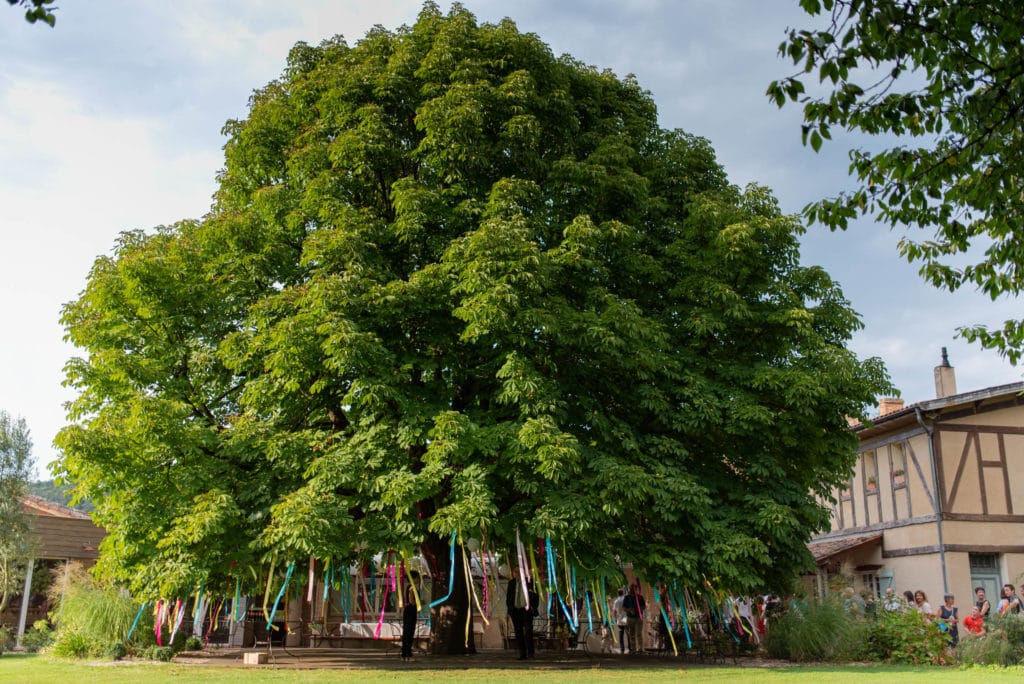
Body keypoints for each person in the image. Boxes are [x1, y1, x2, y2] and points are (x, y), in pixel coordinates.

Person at [506, 567, 537, 660]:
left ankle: (530, 652)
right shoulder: (511, 583)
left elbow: (535, 596)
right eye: (515, 572)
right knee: (518, 633)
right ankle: (522, 654)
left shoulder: (529, 582)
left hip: (526, 610)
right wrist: (510, 608)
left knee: (528, 632)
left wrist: (533, 607)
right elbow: (508, 597)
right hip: (515, 610)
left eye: (519, 572)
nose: (517, 573)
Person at [622, 580, 647, 655]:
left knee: (638, 633)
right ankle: (633, 649)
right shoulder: (627, 597)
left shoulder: (640, 597)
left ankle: (640, 648)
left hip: (639, 617)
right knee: (631, 634)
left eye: (635, 589)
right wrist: (629, 610)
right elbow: (623, 607)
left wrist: (637, 610)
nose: (633, 590)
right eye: (632, 589)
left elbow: (644, 606)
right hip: (630, 618)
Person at [400, 578, 419, 662]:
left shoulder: (411, 587)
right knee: (408, 633)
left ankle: (404, 655)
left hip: (410, 611)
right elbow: (411, 601)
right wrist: (421, 602)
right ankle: (407, 655)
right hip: (410, 611)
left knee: (408, 633)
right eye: (417, 578)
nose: (418, 579)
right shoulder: (411, 588)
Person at [611, 587, 628, 653]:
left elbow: (614, 611)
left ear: (618, 594)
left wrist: (615, 619)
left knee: (621, 634)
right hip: (625, 618)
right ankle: (630, 647)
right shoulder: (625, 599)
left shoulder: (616, 601)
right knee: (627, 633)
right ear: (623, 593)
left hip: (619, 618)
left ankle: (622, 648)